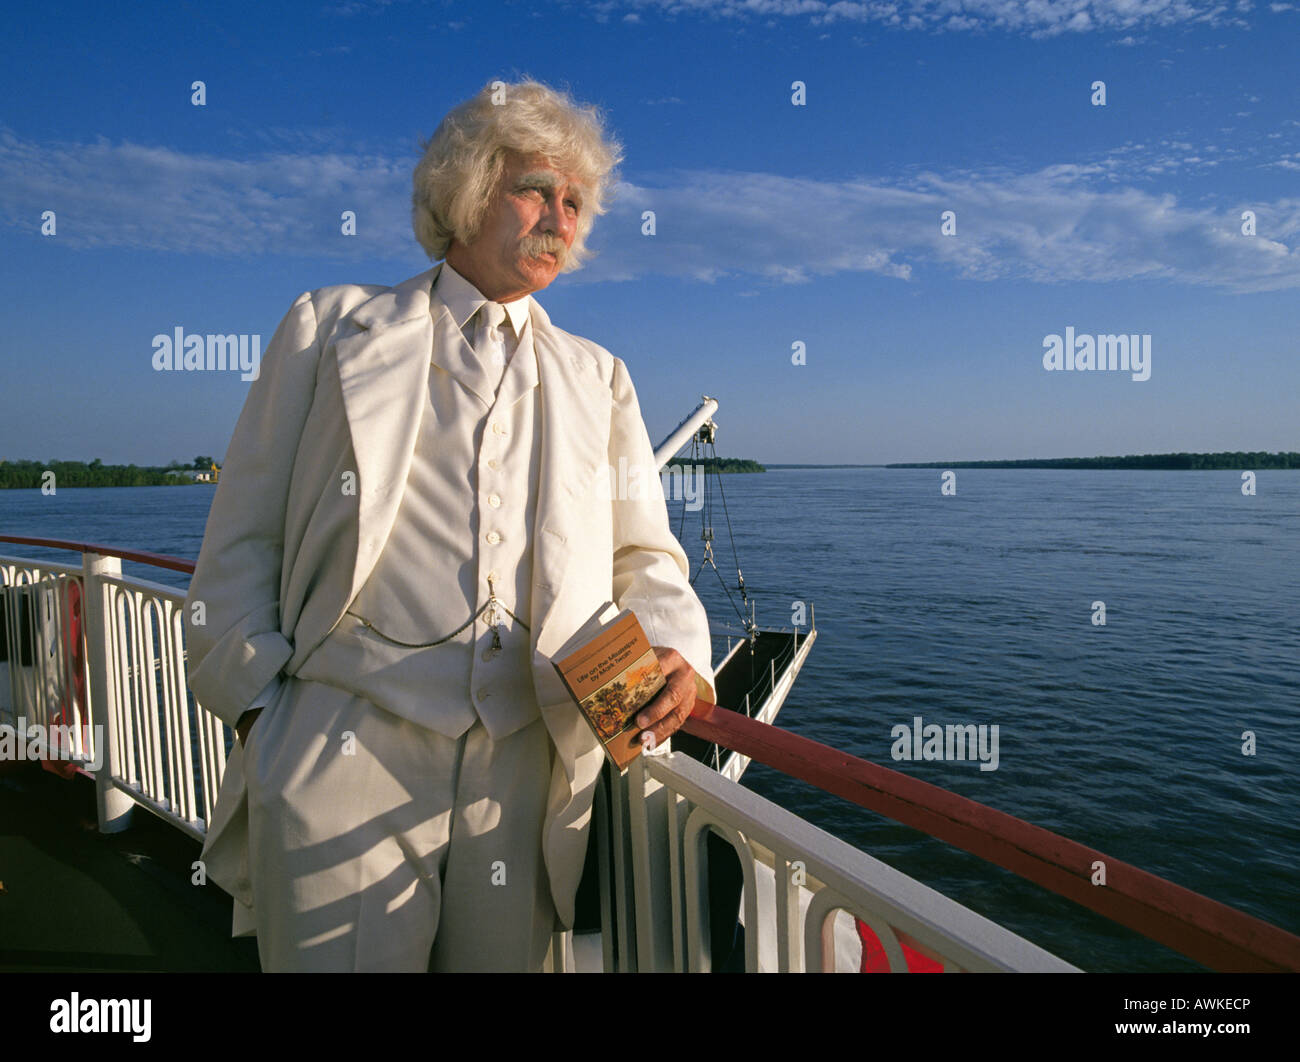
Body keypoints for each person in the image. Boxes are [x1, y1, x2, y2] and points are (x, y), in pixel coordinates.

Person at [183, 78, 715, 972]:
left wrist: (679, 651)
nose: (561, 217)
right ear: (466, 190)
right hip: (343, 742)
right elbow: (242, 537)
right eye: (536, 190)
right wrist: (260, 712)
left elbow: (642, 555)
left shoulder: (599, 377)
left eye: (575, 201)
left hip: (521, 767)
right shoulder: (329, 330)